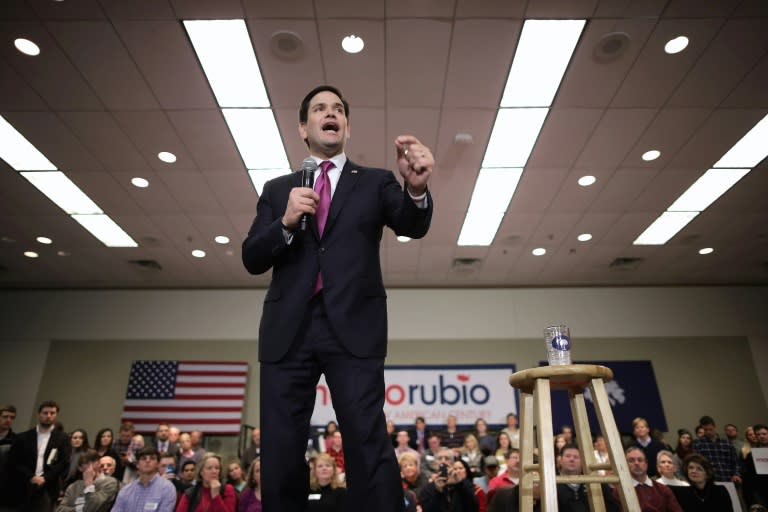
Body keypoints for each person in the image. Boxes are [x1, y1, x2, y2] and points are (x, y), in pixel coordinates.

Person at [241, 83, 434, 512]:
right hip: (287, 333)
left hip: (354, 331)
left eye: (338, 109)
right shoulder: (278, 190)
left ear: (345, 126)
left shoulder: (377, 182)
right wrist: (287, 222)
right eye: (319, 108)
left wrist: (416, 189)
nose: (330, 113)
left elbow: (410, 224)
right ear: (303, 128)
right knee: (281, 448)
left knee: (367, 443)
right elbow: (252, 257)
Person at [5, 400, 71, 512]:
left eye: (52, 413)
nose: (49, 416)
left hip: (48, 486)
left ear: (56, 415)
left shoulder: (63, 438)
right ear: (38, 414)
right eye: (45, 413)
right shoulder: (23, 437)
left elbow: (63, 462)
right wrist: (31, 476)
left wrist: (45, 478)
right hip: (23, 484)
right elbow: (14, 461)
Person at [111, 446, 177, 512]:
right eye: (143, 458)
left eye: (152, 458)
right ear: (137, 464)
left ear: (158, 464)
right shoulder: (126, 490)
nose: (147, 461)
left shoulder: (167, 488)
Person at [620, 446, 682, 512]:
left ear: (646, 464)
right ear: (625, 464)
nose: (636, 463)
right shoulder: (620, 492)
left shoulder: (663, 489)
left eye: (640, 460)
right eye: (631, 460)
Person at [692, 415, 741, 484]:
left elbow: (736, 462)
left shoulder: (726, 443)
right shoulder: (698, 443)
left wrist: (736, 474)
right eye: (705, 430)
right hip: (710, 481)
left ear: (714, 427)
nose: (708, 432)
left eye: (710, 429)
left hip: (729, 478)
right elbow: (697, 463)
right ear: (702, 428)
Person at [742, 424, 768, 508]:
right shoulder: (750, 455)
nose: (762, 436)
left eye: (764, 434)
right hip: (760, 491)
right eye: (758, 434)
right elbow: (748, 476)